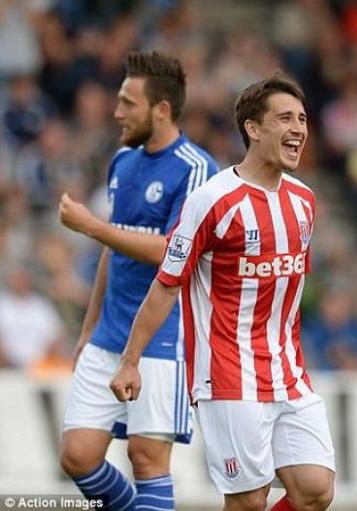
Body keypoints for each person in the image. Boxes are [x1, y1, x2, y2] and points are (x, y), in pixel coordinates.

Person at [110, 73, 335, 511]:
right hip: (228, 375)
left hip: (287, 371)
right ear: (253, 128)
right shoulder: (211, 200)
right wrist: (130, 361)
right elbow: (166, 285)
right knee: (249, 500)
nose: (299, 129)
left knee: (315, 489)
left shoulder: (304, 201)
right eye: (285, 118)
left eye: (303, 119)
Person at [58, 50, 219, 510]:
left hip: (162, 338)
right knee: (78, 456)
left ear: (161, 109)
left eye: (128, 102)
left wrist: (93, 226)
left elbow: (174, 250)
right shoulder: (122, 163)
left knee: (146, 459)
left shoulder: (196, 169)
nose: (117, 112)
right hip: (108, 335)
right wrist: (89, 328)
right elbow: (115, 250)